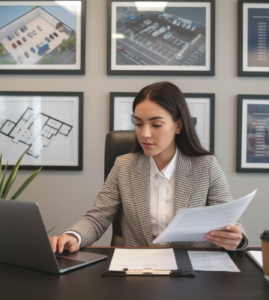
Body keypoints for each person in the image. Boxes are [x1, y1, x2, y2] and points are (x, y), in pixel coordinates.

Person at [50, 82, 248, 253]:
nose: (144, 134)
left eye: (156, 125)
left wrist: (236, 239)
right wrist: (74, 236)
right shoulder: (124, 166)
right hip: (137, 269)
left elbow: (228, 221)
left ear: (178, 125)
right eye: (138, 123)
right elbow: (98, 216)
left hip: (192, 271)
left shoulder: (206, 166)